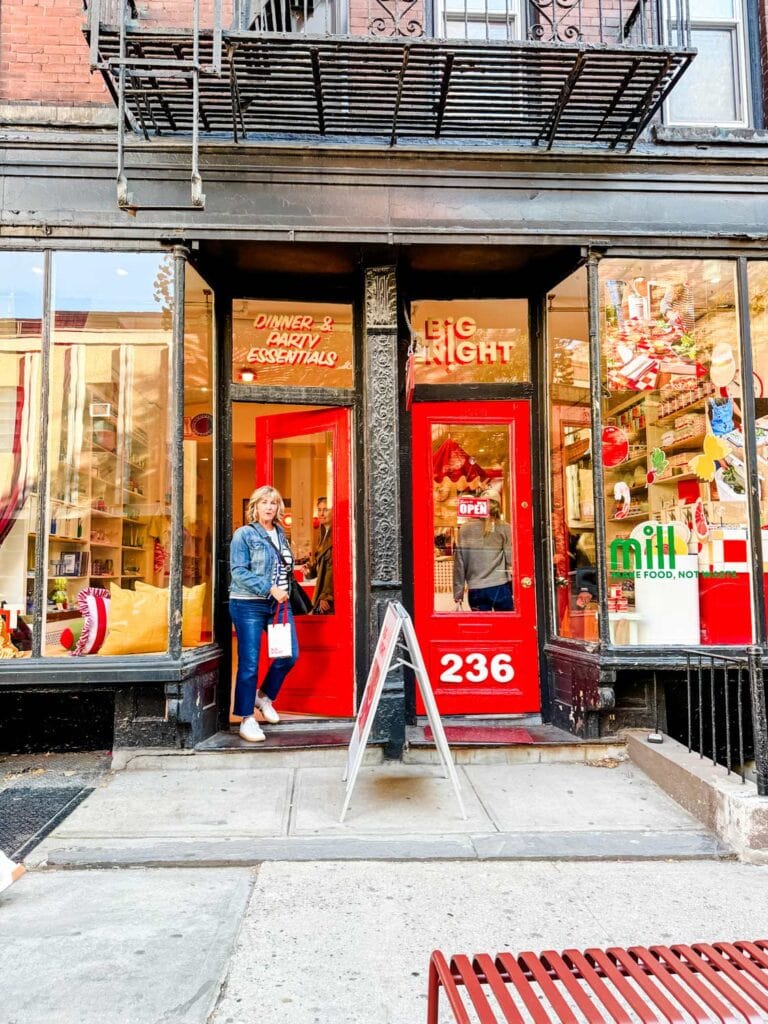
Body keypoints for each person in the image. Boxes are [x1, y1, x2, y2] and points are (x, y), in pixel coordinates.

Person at [229, 485, 299, 743]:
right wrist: (269, 588)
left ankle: (264, 696)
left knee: (288, 655)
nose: (269, 507)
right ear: (255, 507)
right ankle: (246, 719)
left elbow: (283, 567)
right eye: (264, 502)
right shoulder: (244, 535)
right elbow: (238, 571)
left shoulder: (281, 533)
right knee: (249, 662)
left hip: (278, 604)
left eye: (273, 503)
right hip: (248, 603)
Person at [453, 495, 513, 612]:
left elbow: (459, 563)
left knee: (483, 628)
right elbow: (510, 559)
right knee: (506, 628)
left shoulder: (465, 528)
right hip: (499, 585)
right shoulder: (504, 527)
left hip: (476, 589)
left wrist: (458, 593)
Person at [308, 499, 333, 614]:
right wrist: (309, 570)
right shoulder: (321, 534)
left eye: (326, 510)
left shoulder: (335, 534)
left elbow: (332, 569)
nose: (321, 514)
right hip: (322, 591)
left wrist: (326, 596)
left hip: (329, 594)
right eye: (319, 510)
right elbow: (319, 566)